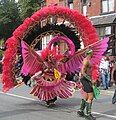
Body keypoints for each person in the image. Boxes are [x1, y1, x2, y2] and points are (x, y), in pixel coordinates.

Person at [77, 49, 96, 120]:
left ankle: (81, 111)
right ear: (89, 53)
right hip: (85, 80)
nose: (93, 53)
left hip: (86, 80)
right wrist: (91, 80)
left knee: (86, 96)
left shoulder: (88, 60)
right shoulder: (86, 61)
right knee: (90, 97)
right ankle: (88, 115)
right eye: (92, 53)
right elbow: (82, 72)